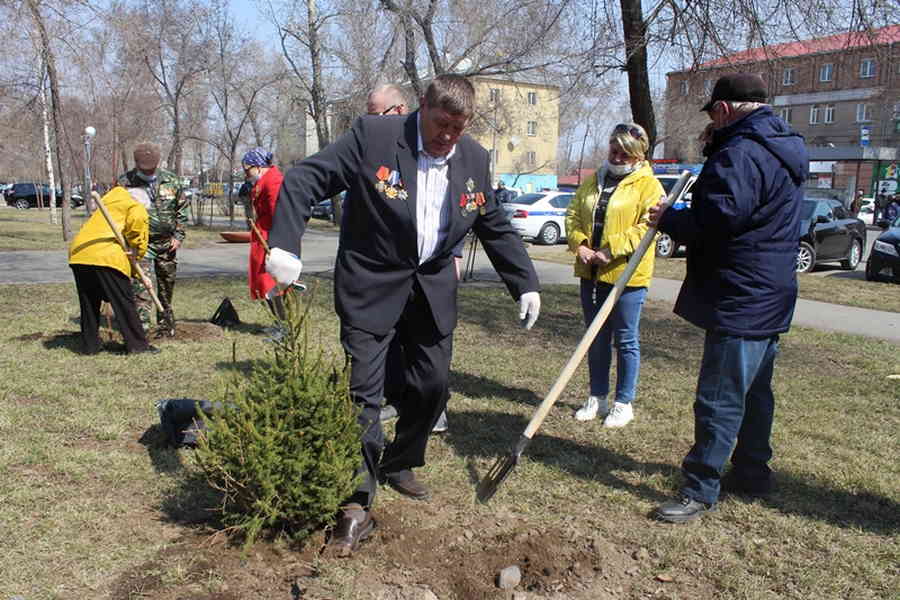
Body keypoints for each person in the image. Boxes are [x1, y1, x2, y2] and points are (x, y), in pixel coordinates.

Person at [266, 73, 541, 556]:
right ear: (422, 107)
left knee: (431, 388)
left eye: (458, 128)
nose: (447, 137)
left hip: (431, 291)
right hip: (371, 287)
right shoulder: (374, 138)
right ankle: (356, 504)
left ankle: (399, 459)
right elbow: (306, 178)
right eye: (440, 124)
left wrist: (525, 283)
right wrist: (286, 245)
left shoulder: (474, 157)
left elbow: (492, 222)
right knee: (363, 395)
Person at [648, 72, 808, 523]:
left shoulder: (740, 153)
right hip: (771, 290)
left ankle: (700, 488)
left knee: (719, 396)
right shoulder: (784, 146)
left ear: (723, 111)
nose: (710, 128)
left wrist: (671, 219)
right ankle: (753, 473)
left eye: (712, 118)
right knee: (755, 391)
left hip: (742, 293)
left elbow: (719, 220)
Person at [365, 83, 453, 433]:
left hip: (427, 276)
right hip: (382, 278)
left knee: (427, 357)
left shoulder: (430, 147)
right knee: (387, 353)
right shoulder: (373, 146)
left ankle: (431, 411)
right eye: (368, 116)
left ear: (400, 111)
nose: (371, 123)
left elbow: (450, 207)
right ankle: (399, 402)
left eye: (377, 115)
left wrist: (454, 253)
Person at [566, 123, 663, 428]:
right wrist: (579, 243)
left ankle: (624, 402)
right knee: (595, 337)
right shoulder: (595, 179)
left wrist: (611, 250)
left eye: (625, 153)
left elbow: (649, 227)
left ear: (638, 156)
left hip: (626, 276)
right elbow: (573, 214)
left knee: (625, 339)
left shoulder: (649, 185)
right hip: (591, 271)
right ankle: (597, 396)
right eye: (614, 150)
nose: (618, 157)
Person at [69, 186, 159, 355]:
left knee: (89, 302)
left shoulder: (109, 202)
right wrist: (138, 252)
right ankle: (138, 346)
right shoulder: (135, 205)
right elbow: (138, 228)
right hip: (106, 256)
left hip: (79, 254)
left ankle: (90, 346)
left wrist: (137, 274)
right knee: (124, 302)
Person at [118, 142, 188, 338]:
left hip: (167, 243)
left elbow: (182, 210)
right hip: (140, 244)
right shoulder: (124, 183)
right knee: (142, 285)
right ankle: (142, 329)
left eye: (151, 169)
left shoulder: (172, 181)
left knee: (167, 283)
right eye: (143, 169)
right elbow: (118, 213)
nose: (147, 173)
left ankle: (166, 322)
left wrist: (178, 236)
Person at [242, 147, 286, 320]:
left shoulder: (273, 182)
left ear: (258, 166)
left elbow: (278, 214)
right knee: (265, 282)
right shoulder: (263, 182)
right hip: (263, 237)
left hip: (271, 239)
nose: (246, 174)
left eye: (248, 170)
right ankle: (278, 323)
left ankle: (283, 324)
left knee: (272, 283)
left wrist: (275, 244)